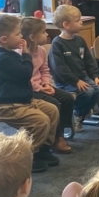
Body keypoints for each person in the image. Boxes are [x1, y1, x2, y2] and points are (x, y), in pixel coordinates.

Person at [0, 15, 62, 174]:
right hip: (8, 106)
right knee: (41, 121)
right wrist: (26, 54)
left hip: (24, 102)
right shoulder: (2, 58)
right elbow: (25, 73)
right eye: (17, 34)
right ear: (4, 39)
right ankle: (27, 156)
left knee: (52, 110)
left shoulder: (10, 53)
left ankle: (43, 150)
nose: (21, 36)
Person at [20, 17, 73, 154]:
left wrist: (46, 84)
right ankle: (55, 138)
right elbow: (25, 77)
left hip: (42, 86)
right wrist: (40, 88)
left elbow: (44, 70)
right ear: (32, 37)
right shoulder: (21, 54)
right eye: (43, 32)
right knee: (53, 103)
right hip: (29, 89)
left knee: (67, 98)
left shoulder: (41, 50)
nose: (47, 34)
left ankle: (59, 133)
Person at [49, 5, 99, 133]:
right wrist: (75, 81)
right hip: (65, 81)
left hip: (81, 77)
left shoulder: (79, 40)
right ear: (66, 24)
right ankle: (79, 113)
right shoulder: (57, 43)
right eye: (77, 20)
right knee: (88, 92)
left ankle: (80, 113)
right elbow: (59, 69)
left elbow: (89, 60)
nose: (81, 22)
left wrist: (95, 76)